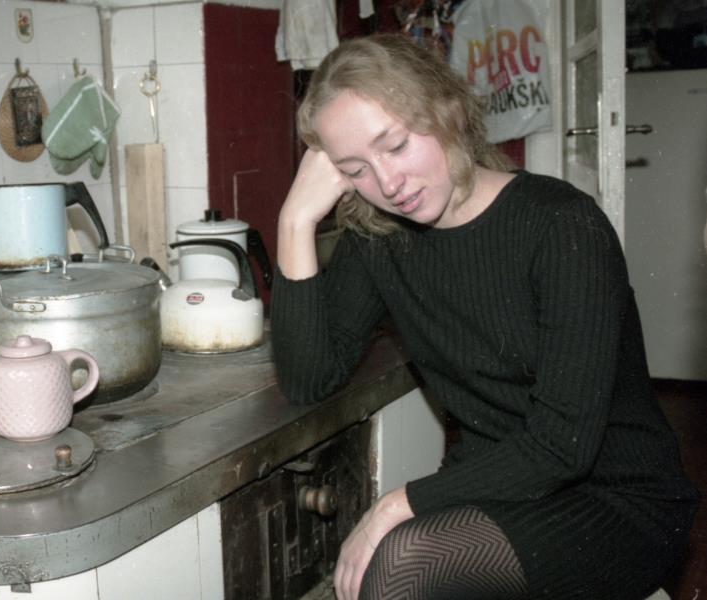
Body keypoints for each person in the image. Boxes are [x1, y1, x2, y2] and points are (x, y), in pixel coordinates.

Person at [271, 34, 699, 600]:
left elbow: (562, 445)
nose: (389, 184)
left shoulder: (562, 226)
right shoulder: (379, 239)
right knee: (398, 561)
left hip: (616, 499)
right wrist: (295, 220)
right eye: (356, 169)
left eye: (396, 145)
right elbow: (308, 380)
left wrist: (393, 506)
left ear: (446, 111)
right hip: (503, 486)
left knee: (402, 561)